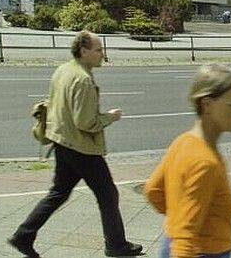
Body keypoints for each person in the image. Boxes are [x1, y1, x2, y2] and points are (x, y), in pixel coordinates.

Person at [9, 31, 143, 258]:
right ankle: (116, 245)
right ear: (84, 51)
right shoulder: (82, 79)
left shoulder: (63, 70)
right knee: (108, 194)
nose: (103, 54)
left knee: (59, 192)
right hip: (82, 148)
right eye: (98, 50)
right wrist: (111, 116)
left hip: (62, 142)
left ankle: (23, 235)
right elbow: (86, 122)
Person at [145, 65, 231, 258]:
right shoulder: (205, 162)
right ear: (207, 104)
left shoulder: (183, 141)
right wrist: (184, 224)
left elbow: (153, 191)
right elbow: (185, 237)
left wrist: (178, 217)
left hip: (173, 243)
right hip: (204, 252)